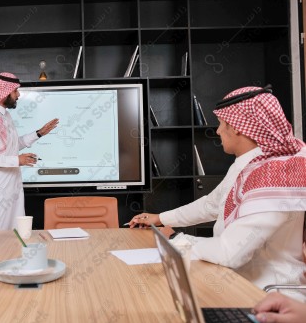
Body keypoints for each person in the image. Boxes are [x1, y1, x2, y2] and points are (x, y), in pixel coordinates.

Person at [129, 85, 306, 301]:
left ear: (239, 127)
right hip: (236, 281)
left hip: (267, 295)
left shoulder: (275, 176)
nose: (218, 131)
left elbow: (229, 253)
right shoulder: (249, 165)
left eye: (222, 124)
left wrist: (176, 239)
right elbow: (212, 204)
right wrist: (159, 218)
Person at [0, 72, 58, 230]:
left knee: (13, 240)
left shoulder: (3, 116)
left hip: (10, 192)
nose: (18, 95)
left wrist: (38, 133)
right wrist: (16, 160)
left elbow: (11, 146)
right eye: (15, 91)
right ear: (2, 93)